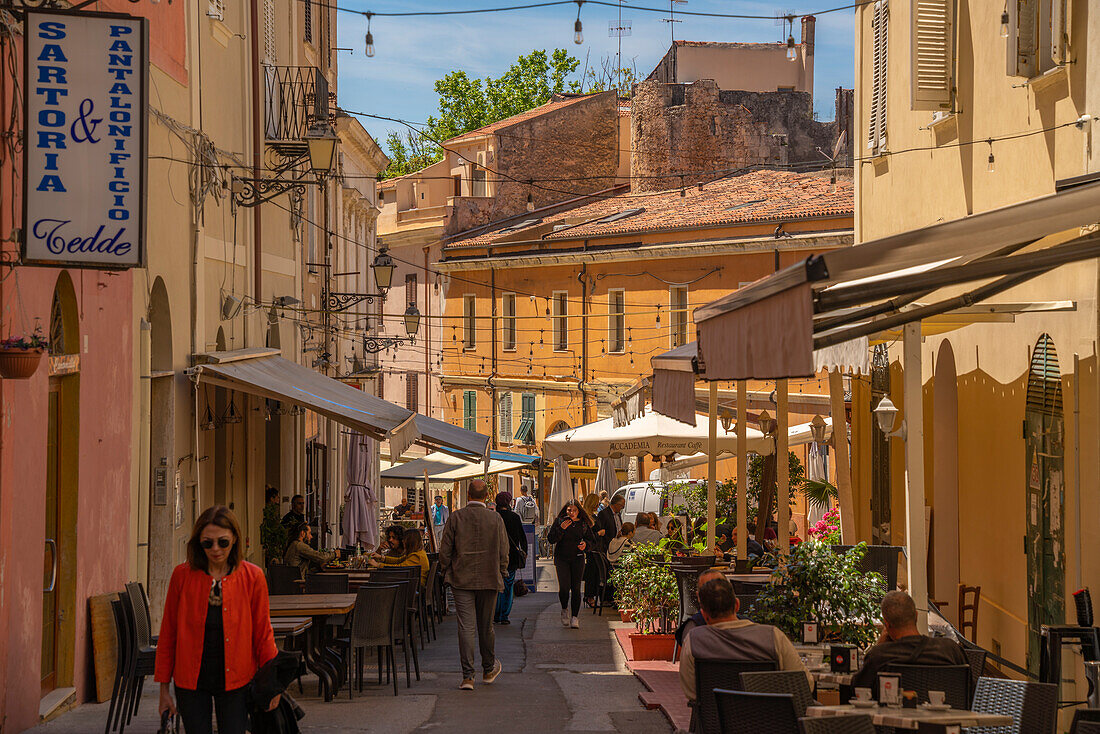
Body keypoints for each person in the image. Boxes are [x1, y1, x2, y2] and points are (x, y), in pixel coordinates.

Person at [156, 506, 279, 733]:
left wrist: (272, 684)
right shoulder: (182, 576)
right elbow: (169, 633)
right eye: (207, 543)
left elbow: (263, 632)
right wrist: (164, 690)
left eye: (222, 542)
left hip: (237, 678)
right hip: (191, 680)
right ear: (198, 543)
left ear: (234, 539)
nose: (215, 549)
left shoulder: (253, 577)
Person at [679, 575, 811, 703]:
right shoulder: (772, 637)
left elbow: (693, 693)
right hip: (769, 721)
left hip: (716, 723)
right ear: (737, 605)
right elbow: (805, 684)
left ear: (703, 614)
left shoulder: (694, 641)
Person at [439, 479, 508, 691]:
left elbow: (445, 550)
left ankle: (468, 677)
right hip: (489, 578)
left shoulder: (456, 517)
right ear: (486, 496)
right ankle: (488, 669)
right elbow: (503, 551)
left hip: (461, 579)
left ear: (468, 495)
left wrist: (446, 571)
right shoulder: (495, 518)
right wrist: (502, 572)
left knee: (466, 627)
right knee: (486, 626)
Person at [851, 591, 968, 694]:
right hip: (947, 718)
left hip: (894, 717)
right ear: (916, 616)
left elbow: (857, 690)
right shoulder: (950, 649)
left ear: (886, 624)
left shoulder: (880, 656)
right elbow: (970, 690)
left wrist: (880, 645)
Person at [548, 499, 597, 629]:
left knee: (576, 588)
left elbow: (592, 541)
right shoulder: (560, 521)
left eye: (574, 510)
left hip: (578, 558)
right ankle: (564, 608)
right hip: (561, 558)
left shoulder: (583, 524)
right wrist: (561, 529)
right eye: (569, 510)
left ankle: (575, 617)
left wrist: (586, 545)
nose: (572, 513)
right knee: (564, 587)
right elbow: (551, 539)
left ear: (579, 511)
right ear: (566, 510)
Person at [494, 491, 527, 625]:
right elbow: (522, 538)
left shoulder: (493, 517)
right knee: (508, 586)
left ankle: (495, 614)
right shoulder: (514, 517)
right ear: (509, 502)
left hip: (495, 556)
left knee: (496, 586)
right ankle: (504, 615)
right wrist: (524, 552)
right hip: (511, 556)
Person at [674, 569, 726, 647]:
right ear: (737, 605)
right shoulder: (749, 630)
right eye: (707, 589)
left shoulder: (691, 632)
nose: (713, 593)